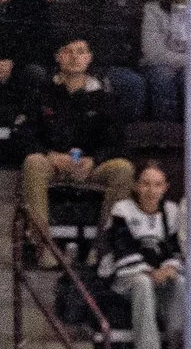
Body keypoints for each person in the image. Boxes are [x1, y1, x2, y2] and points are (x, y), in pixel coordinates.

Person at [19, 37, 136, 252]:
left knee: (123, 168)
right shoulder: (42, 92)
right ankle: (43, 247)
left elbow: (118, 142)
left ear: (89, 58)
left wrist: (94, 160)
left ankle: (103, 250)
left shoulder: (105, 97)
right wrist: (49, 154)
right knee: (33, 162)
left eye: (81, 52)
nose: (74, 57)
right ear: (58, 56)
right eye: (68, 51)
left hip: (91, 165)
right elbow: (25, 133)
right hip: (52, 162)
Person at [102, 161, 185, 349]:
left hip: (159, 276)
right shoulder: (122, 209)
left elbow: (174, 247)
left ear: (165, 187)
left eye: (157, 185)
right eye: (146, 184)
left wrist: (168, 268)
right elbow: (122, 248)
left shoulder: (171, 211)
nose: (151, 191)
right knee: (142, 282)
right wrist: (150, 271)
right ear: (137, 186)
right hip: (126, 278)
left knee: (181, 283)